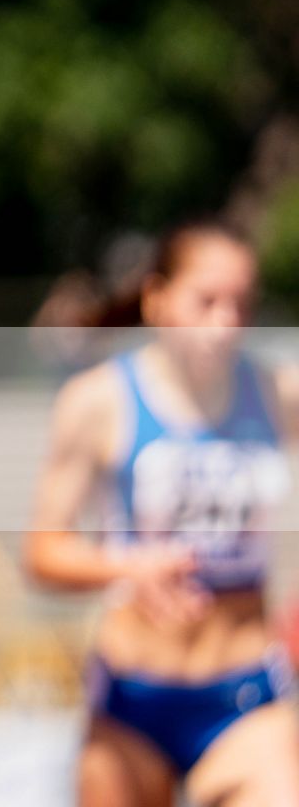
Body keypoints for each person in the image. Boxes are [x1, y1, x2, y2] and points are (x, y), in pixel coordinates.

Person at [24, 220, 299, 807]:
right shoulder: (98, 401)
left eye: (241, 304)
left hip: (245, 697)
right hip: (133, 702)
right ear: (157, 299)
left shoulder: (280, 394)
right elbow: (42, 551)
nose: (225, 323)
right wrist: (128, 566)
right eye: (207, 301)